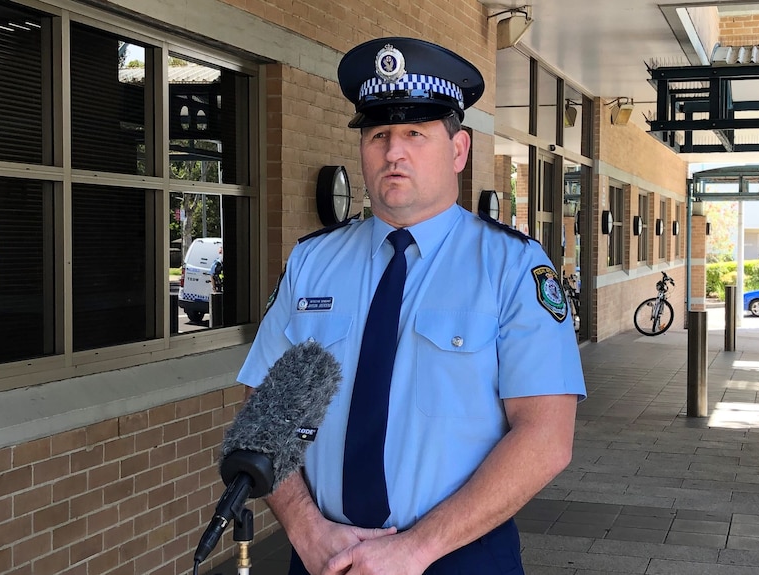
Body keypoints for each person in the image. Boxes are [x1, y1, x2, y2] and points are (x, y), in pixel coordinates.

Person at [236, 37, 586, 575]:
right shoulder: (312, 262)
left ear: (459, 150)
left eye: (415, 134)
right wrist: (307, 529)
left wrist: (415, 549)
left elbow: (545, 436)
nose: (393, 152)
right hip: (325, 556)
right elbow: (265, 410)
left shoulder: (512, 268)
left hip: (458, 556)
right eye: (378, 134)